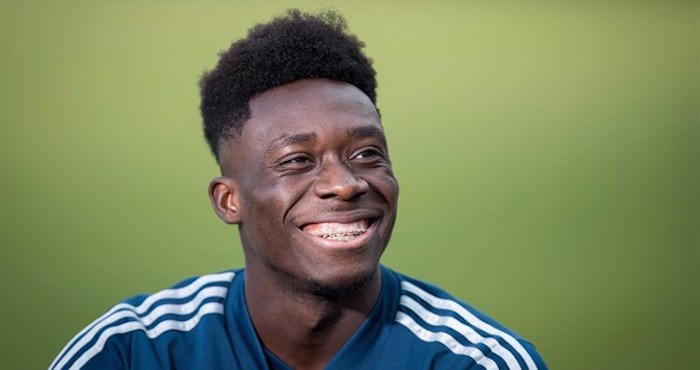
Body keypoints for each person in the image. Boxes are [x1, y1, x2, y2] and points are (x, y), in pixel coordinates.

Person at [50, 9, 548, 370]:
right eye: (296, 161)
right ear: (229, 201)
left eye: (366, 154)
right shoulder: (134, 352)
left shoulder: (476, 361)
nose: (345, 184)